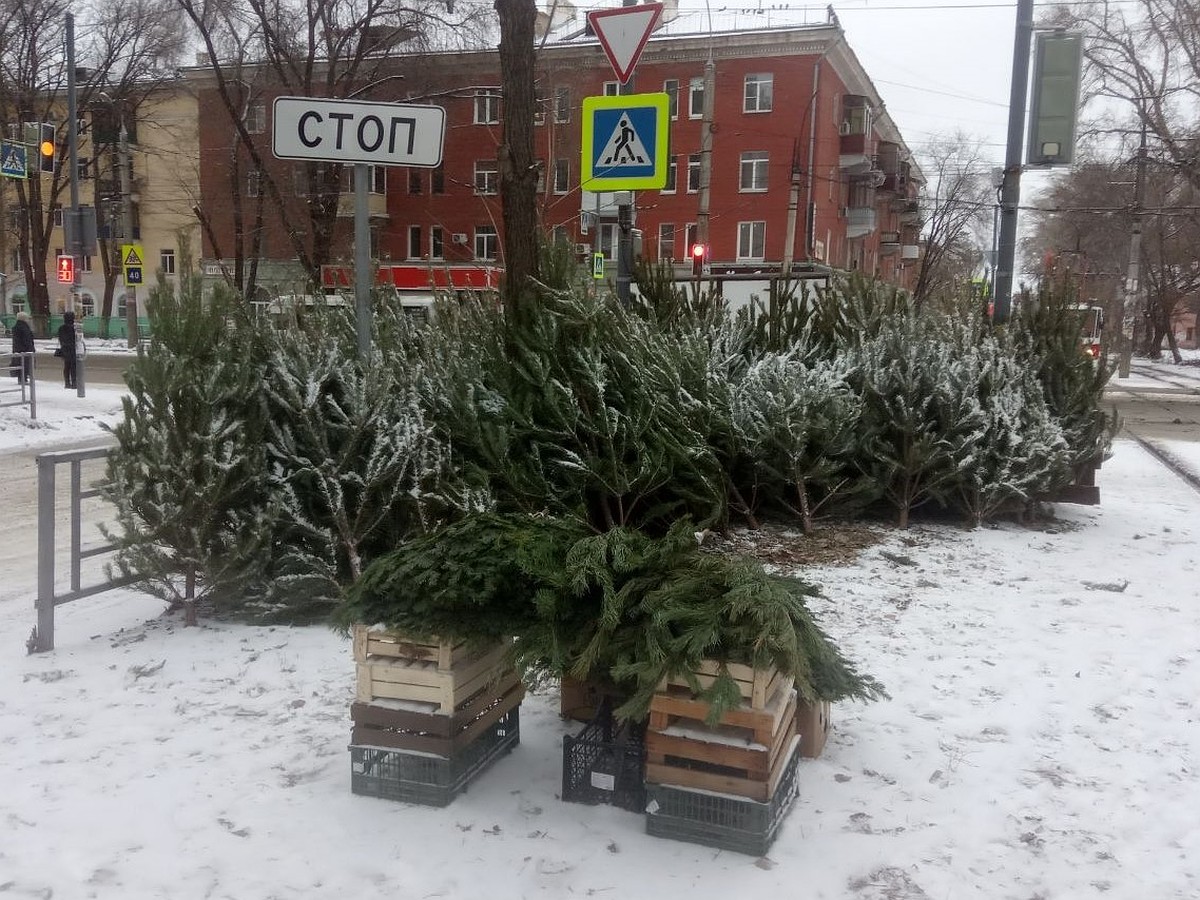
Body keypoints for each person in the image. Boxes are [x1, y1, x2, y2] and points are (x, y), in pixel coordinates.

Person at [10, 311, 34, 385]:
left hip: (17, 349)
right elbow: (27, 339)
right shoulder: (24, 327)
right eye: (27, 318)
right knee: (25, 365)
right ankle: (23, 379)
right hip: (25, 349)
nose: (28, 320)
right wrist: (31, 348)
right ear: (24, 318)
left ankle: (21, 379)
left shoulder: (16, 327)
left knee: (20, 364)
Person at [57, 310, 78, 389]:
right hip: (72, 349)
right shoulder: (73, 328)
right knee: (73, 367)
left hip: (65, 349)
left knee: (67, 366)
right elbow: (76, 339)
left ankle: (67, 382)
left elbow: (60, 338)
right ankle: (74, 383)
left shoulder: (61, 328)